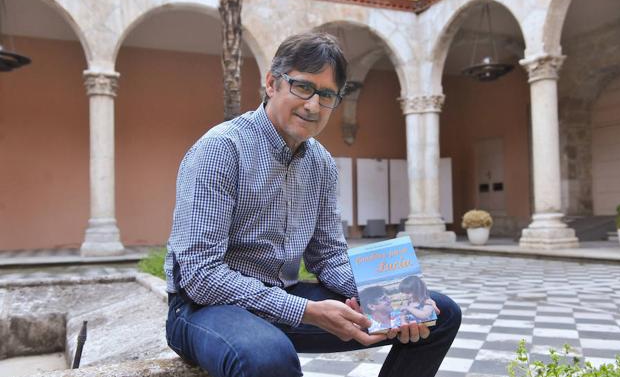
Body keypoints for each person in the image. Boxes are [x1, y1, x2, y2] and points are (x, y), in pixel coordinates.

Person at [164, 31, 461, 377]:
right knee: (268, 358)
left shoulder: (321, 163)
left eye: (327, 95)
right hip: (204, 309)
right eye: (303, 87)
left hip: (283, 295)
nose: (313, 105)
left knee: (436, 313)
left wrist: (383, 297)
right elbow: (201, 275)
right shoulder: (221, 150)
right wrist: (306, 310)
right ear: (272, 83)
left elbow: (329, 256)